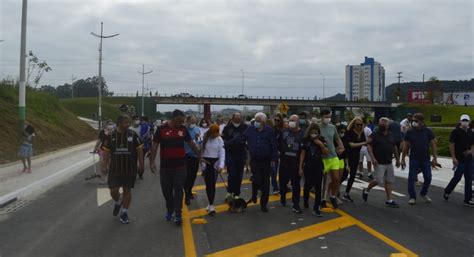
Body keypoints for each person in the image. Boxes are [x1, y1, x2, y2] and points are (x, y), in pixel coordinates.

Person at [150, 109, 200, 225]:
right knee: (167, 191)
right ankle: (170, 209)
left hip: (180, 166)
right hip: (166, 167)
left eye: (183, 121)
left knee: (178, 189)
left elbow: (191, 143)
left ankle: (178, 214)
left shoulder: (183, 129)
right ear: (174, 118)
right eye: (180, 121)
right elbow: (155, 146)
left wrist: (199, 156)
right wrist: (152, 162)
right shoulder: (161, 129)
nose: (182, 123)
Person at [101, 115, 144, 224]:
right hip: (115, 169)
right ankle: (117, 202)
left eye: (128, 122)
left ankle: (124, 213)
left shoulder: (133, 135)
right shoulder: (111, 136)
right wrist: (104, 166)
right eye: (126, 122)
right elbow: (106, 152)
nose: (128, 124)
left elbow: (140, 150)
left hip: (130, 169)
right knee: (113, 190)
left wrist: (141, 164)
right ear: (119, 123)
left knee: (127, 191)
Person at [241, 112, 278, 213]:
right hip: (255, 160)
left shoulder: (269, 131)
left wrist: (273, 160)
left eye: (258, 121)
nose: (256, 123)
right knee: (256, 179)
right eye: (255, 120)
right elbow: (241, 138)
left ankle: (263, 204)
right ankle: (254, 195)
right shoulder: (250, 129)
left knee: (266, 183)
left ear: (263, 122)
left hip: (266, 161)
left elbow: (274, 146)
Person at [362, 117, 401, 207]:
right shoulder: (374, 135)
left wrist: (398, 159)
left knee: (389, 181)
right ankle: (367, 189)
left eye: (384, 124)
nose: (382, 125)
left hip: (389, 161)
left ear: (388, 125)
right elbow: (369, 146)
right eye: (381, 124)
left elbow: (394, 147)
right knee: (377, 180)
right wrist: (372, 158)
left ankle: (389, 200)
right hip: (379, 162)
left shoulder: (391, 134)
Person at [401, 113, 438, 205]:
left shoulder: (427, 131)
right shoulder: (409, 131)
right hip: (414, 158)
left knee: (428, 177)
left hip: (425, 158)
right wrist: (402, 159)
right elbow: (405, 146)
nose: (414, 122)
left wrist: (435, 157)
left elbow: (433, 144)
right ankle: (412, 196)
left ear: (421, 122)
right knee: (412, 178)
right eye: (413, 120)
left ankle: (423, 193)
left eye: (416, 121)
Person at [299, 123, 329, 217]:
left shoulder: (321, 140)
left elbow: (326, 153)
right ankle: (306, 201)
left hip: (318, 166)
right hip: (308, 166)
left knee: (318, 188)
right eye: (312, 132)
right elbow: (302, 154)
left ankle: (316, 208)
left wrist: (321, 145)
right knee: (307, 185)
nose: (313, 134)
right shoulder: (305, 140)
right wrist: (300, 167)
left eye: (315, 133)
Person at [444, 114, 474, 207]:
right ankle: (447, 191)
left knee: (469, 179)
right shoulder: (455, 132)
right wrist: (453, 157)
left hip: (469, 160)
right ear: (460, 121)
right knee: (457, 177)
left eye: (466, 120)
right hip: (459, 159)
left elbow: (472, 144)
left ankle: (467, 199)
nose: (465, 122)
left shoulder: (470, 132)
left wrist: (471, 152)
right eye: (463, 120)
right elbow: (451, 144)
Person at [319, 109, 345, 209]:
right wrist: (321, 146)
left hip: (333, 156)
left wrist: (341, 146)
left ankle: (333, 196)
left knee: (336, 178)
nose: (328, 119)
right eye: (326, 116)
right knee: (323, 181)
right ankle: (322, 199)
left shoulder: (332, 127)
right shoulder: (316, 127)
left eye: (329, 117)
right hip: (322, 158)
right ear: (321, 116)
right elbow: (313, 138)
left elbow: (337, 138)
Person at [279, 115, 305, 213]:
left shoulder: (302, 134)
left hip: (296, 163)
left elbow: (303, 151)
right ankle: (282, 196)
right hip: (284, 162)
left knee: (296, 184)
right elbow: (278, 144)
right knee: (283, 182)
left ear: (298, 122)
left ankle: (296, 204)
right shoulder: (284, 132)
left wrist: (301, 166)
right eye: (289, 120)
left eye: (293, 120)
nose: (291, 122)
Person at [221, 113, 248, 198]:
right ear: (232, 118)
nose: (238, 119)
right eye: (236, 118)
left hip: (241, 153)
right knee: (232, 174)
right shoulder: (227, 127)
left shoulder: (245, 127)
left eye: (239, 118)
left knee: (239, 174)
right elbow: (222, 139)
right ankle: (230, 191)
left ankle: (237, 193)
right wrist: (228, 143)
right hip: (230, 153)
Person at [201, 124, 225, 214]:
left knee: (212, 184)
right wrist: (203, 165)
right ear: (211, 133)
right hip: (206, 163)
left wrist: (221, 165)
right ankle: (210, 202)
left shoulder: (219, 139)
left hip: (215, 164)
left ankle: (211, 205)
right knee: (208, 185)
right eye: (215, 133)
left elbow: (222, 153)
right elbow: (201, 153)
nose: (217, 134)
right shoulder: (204, 139)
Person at [341, 117, 367, 202]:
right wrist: (364, 143)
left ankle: (346, 193)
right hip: (347, 155)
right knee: (344, 175)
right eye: (357, 124)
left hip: (356, 156)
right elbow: (351, 145)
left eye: (361, 124)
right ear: (353, 124)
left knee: (352, 176)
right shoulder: (349, 132)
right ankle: (335, 189)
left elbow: (365, 143)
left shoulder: (362, 133)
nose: (359, 126)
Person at [184, 116, 201, 205]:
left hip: (195, 156)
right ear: (187, 121)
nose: (193, 124)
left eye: (195, 122)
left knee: (193, 175)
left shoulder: (197, 129)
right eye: (191, 122)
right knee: (187, 176)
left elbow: (199, 141)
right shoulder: (184, 130)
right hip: (185, 155)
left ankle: (189, 190)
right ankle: (186, 194)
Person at [93, 120, 114, 184]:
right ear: (106, 125)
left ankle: (111, 178)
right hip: (103, 150)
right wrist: (95, 149)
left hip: (111, 151)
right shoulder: (102, 132)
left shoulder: (115, 132)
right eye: (109, 124)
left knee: (110, 165)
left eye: (111, 124)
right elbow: (99, 141)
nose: (110, 125)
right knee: (102, 165)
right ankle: (103, 179)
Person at [270, 113, 285, 195]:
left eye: (278, 120)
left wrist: (280, 150)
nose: (276, 121)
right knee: (273, 171)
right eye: (275, 120)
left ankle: (284, 186)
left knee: (282, 172)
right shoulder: (271, 129)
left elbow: (284, 143)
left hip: (282, 154)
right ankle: (275, 187)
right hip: (273, 154)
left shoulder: (283, 130)